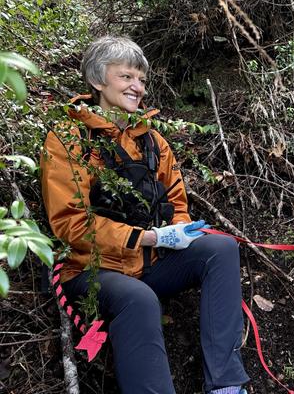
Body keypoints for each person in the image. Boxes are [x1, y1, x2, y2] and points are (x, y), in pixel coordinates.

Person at [41, 35, 249, 394]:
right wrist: (148, 237)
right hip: (93, 270)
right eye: (126, 77)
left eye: (141, 79)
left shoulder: (152, 141)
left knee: (222, 249)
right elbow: (70, 223)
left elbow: (176, 199)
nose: (137, 87)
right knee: (137, 299)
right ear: (97, 80)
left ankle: (227, 385)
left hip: (151, 260)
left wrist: (180, 229)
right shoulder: (68, 138)